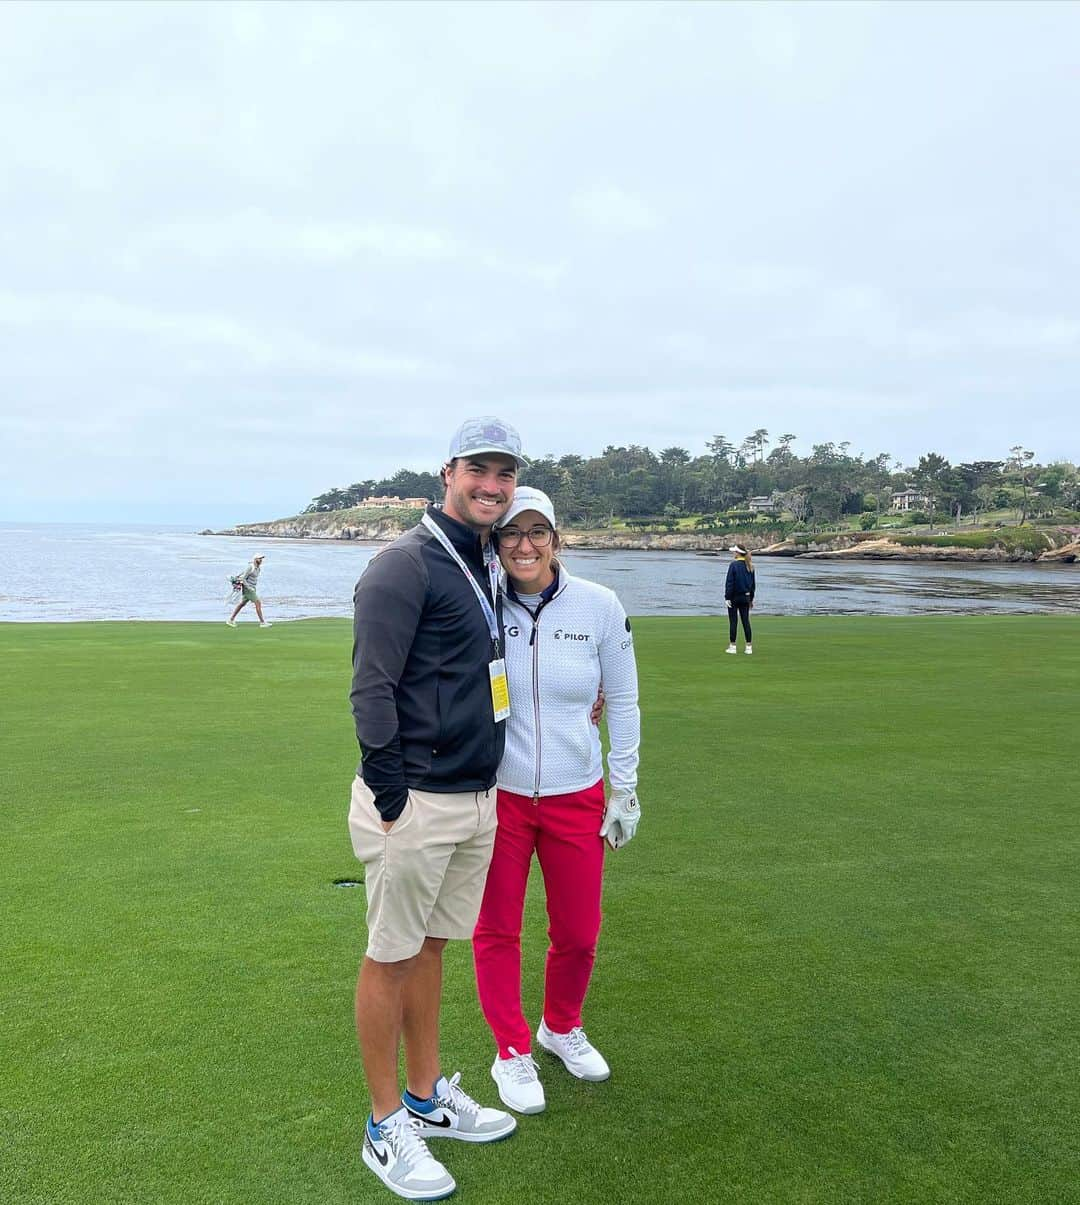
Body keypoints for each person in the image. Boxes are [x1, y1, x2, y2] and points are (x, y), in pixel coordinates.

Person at [348, 417, 528, 1202]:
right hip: (414, 799)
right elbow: (371, 687)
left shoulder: (483, 558)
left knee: (430, 949)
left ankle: (426, 1096)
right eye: (480, 470)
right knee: (390, 954)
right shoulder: (404, 564)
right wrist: (392, 797)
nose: (492, 485)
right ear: (449, 469)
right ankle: (386, 1123)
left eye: (505, 474)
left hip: (473, 794)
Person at [473, 486, 641, 1116]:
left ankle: (559, 1026)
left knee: (578, 930)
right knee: (497, 930)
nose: (525, 545)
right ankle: (511, 1050)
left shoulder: (599, 606)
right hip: (502, 797)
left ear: (556, 538)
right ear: (497, 540)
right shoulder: (482, 606)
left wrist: (624, 788)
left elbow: (622, 701)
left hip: (578, 794)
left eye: (537, 531)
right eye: (512, 532)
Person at [724, 543, 755, 655]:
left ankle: (732, 646)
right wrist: (751, 599)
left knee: (733, 622)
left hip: (734, 597)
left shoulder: (733, 565)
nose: (733, 553)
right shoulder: (750, 566)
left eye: (734, 552)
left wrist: (727, 597)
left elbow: (729, 583)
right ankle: (749, 647)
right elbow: (752, 586)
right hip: (746, 597)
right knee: (746, 621)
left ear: (738, 553)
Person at [226, 553, 271, 627]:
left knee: (242, 604)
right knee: (258, 602)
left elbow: (244, 573)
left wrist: (252, 588)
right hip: (248, 589)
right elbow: (243, 578)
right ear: (255, 559)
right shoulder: (251, 567)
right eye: (259, 558)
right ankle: (262, 622)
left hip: (253, 588)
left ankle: (231, 620)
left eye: (261, 559)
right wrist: (249, 587)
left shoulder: (258, 568)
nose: (261, 560)